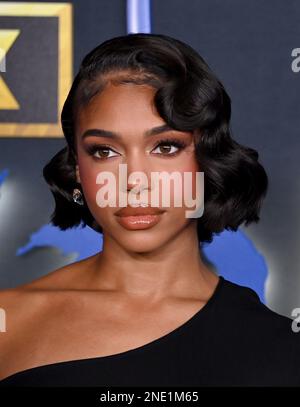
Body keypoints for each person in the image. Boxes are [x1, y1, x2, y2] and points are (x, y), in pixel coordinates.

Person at [0, 33, 299, 387]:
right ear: (79, 169)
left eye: (166, 147)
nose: (135, 180)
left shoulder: (280, 348)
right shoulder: (9, 319)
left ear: (207, 159)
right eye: (104, 151)